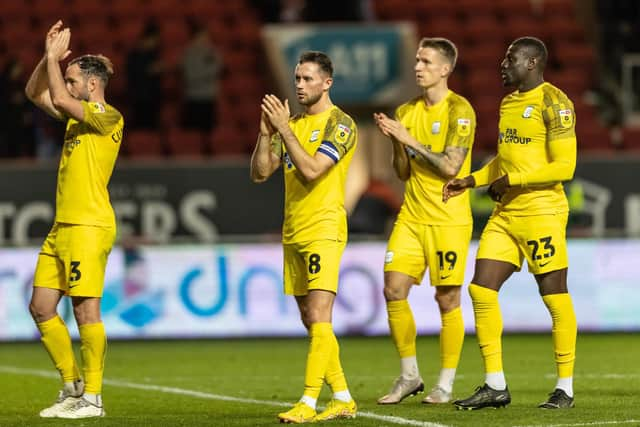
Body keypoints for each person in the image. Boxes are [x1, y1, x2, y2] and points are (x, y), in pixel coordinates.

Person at [444, 36, 578, 410]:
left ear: (532, 63)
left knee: (553, 296)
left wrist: (512, 182)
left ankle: (564, 388)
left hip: (542, 212)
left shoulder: (555, 102)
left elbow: (564, 167)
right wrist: (472, 179)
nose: (503, 65)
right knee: (481, 290)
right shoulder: (508, 102)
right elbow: (507, 161)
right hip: (508, 214)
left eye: (511, 59)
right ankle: (495, 385)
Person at [250, 51, 358, 423]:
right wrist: (265, 135)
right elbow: (261, 173)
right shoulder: (290, 124)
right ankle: (342, 396)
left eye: (308, 78)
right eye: (297, 78)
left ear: (327, 82)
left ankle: (308, 402)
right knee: (309, 320)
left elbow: (313, 170)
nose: (299, 85)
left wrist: (284, 131)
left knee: (319, 314)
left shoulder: (340, 124)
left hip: (324, 229)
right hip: (293, 229)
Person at [25, 20, 124, 418]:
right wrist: (46, 59)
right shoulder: (75, 118)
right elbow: (35, 92)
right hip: (62, 226)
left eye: (71, 80)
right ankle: (71, 386)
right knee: (41, 307)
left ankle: (94, 398)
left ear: (92, 86)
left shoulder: (107, 117)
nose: (65, 86)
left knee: (85, 311)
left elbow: (63, 102)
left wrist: (53, 59)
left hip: (89, 225)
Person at [373, 37, 476, 405]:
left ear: (445, 69)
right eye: (417, 60)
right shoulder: (406, 111)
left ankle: (445, 383)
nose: (418, 67)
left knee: (447, 298)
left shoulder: (459, 110)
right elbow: (402, 172)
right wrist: (396, 142)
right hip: (412, 217)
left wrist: (408, 138)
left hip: (448, 220)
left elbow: (451, 165)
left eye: (426, 61)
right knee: (393, 289)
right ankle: (409, 375)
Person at [180, 18, 222, 133]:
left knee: (208, 130)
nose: (205, 38)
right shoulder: (189, 53)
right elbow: (190, 76)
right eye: (203, 35)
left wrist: (206, 71)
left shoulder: (212, 51)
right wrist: (207, 72)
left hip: (208, 96)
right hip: (194, 97)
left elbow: (218, 66)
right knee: (192, 132)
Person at [125, 20, 162, 129]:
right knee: (141, 127)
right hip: (140, 98)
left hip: (152, 97)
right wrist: (151, 70)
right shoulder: (135, 55)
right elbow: (134, 74)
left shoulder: (154, 53)